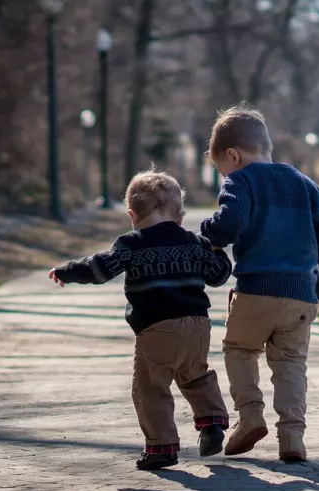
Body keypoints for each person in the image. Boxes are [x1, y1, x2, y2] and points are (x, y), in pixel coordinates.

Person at [49, 170, 232, 470]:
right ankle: (212, 423)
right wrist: (218, 250)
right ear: (180, 216)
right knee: (196, 375)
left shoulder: (130, 244)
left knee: (150, 388)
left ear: (132, 215)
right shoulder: (193, 242)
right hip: (198, 327)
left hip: (157, 329)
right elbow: (218, 275)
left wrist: (68, 271)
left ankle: (161, 447)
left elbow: (100, 269)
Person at [200, 106, 319, 462]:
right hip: (300, 294)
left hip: (255, 290)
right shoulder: (305, 184)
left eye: (222, 169)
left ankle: (249, 417)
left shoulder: (241, 180)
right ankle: (292, 437)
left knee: (240, 349)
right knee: (291, 363)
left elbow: (229, 224)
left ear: (234, 156)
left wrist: (208, 231)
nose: (224, 175)